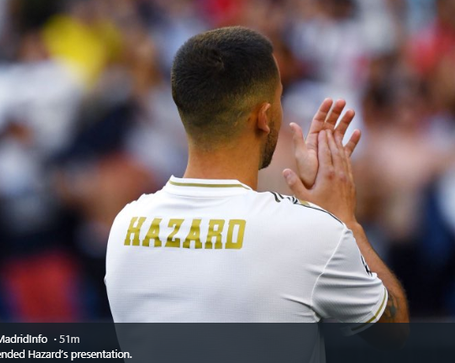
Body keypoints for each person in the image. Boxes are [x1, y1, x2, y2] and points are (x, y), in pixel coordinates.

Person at [105, 27, 408, 345]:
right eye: (279, 99)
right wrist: (343, 220)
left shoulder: (124, 226)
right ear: (264, 116)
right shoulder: (306, 231)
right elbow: (393, 330)